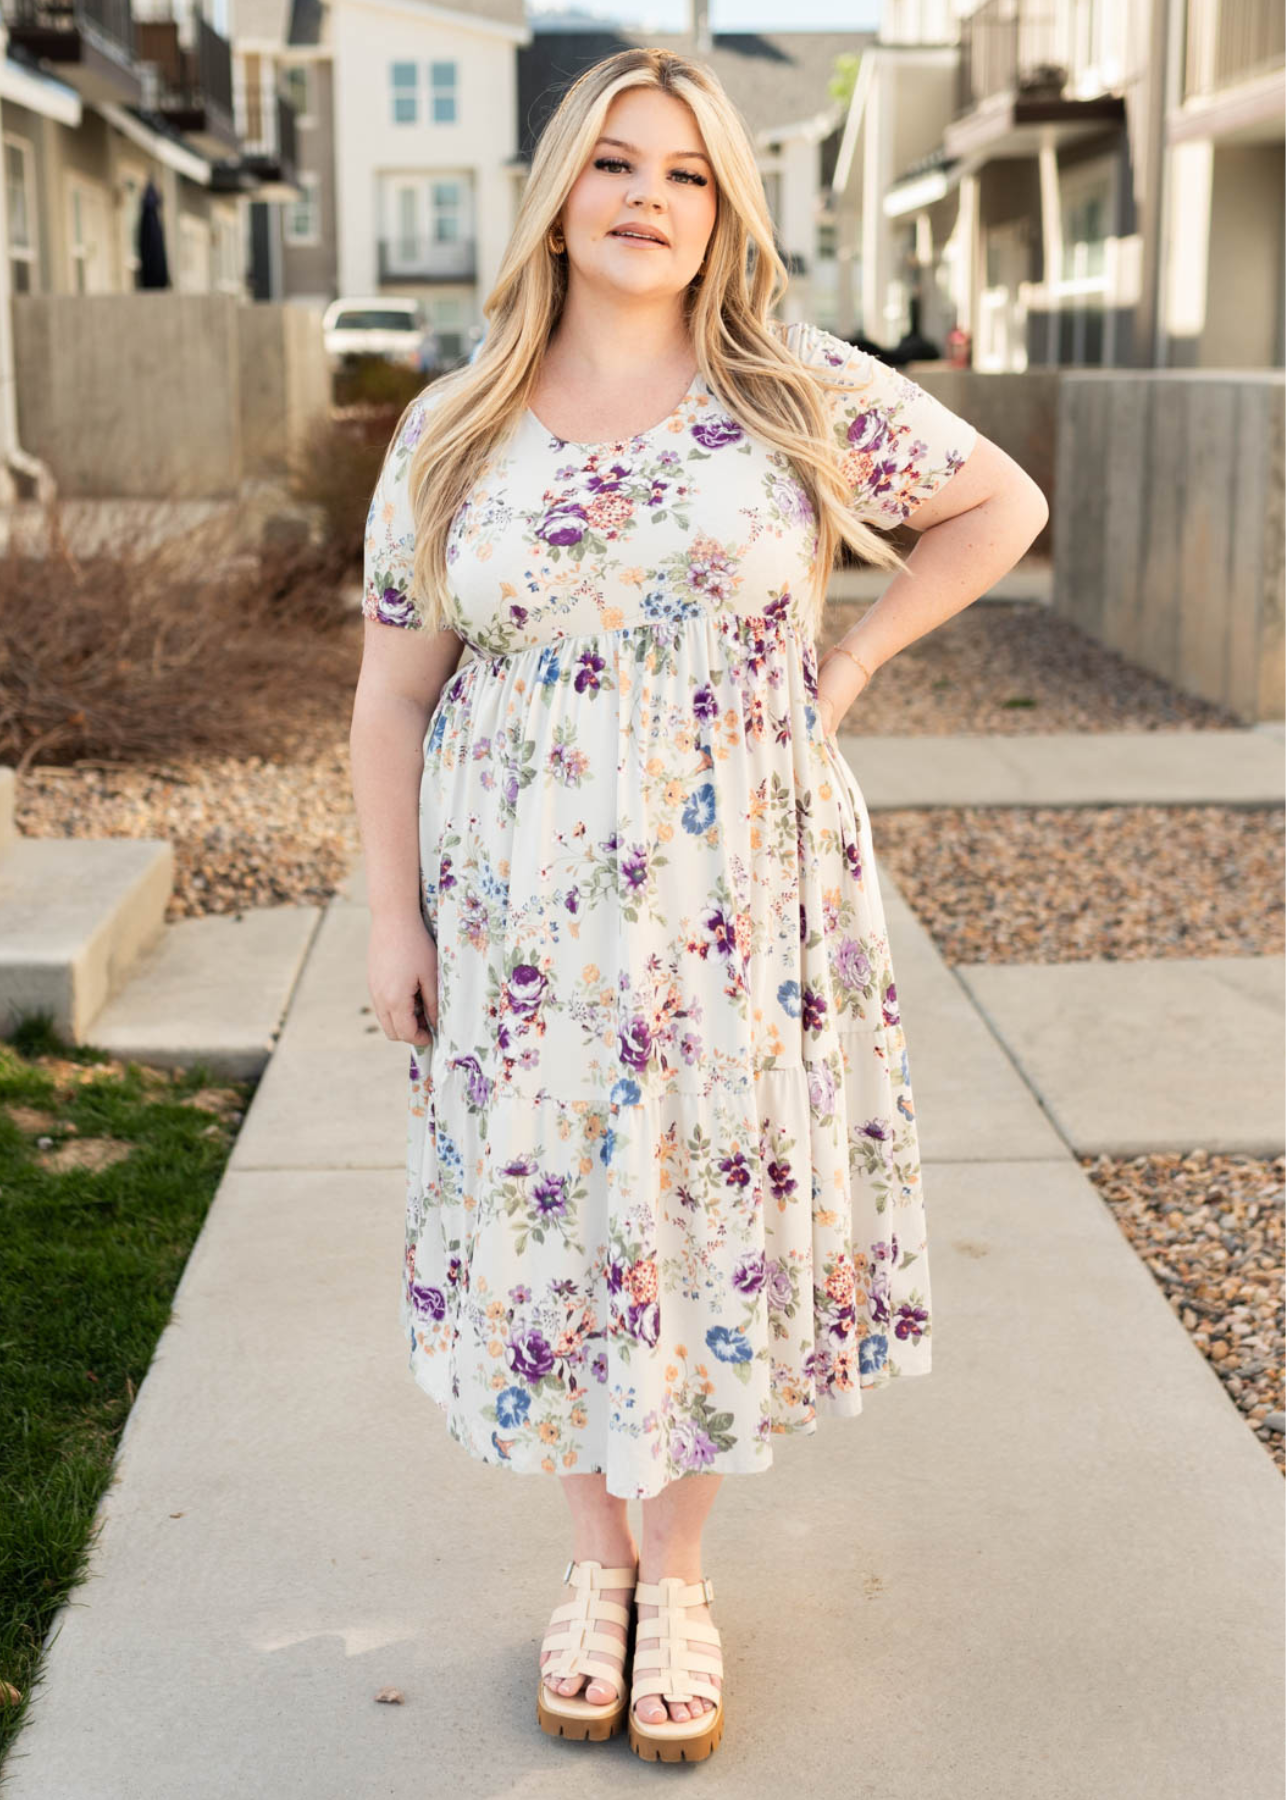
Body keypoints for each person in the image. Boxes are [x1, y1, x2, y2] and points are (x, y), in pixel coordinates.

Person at [349, 47, 1047, 1765]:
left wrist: (852, 655)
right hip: (520, 910)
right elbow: (388, 695)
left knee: (698, 1208)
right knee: (562, 1205)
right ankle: (593, 1577)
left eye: (683, 169)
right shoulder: (455, 423)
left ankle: (684, 1577)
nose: (647, 195)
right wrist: (394, 918)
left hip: (744, 896)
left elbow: (995, 507)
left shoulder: (790, 387)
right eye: (613, 163)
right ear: (561, 198)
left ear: (723, 204)